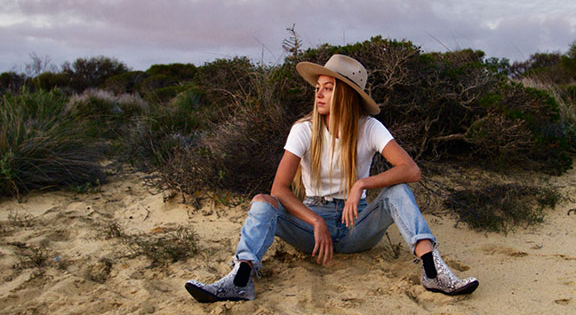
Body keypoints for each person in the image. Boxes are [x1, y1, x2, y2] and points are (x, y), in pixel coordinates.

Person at [185, 54, 478, 302]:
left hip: (356, 227)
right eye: (318, 87)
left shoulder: (369, 128)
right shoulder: (304, 129)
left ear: (347, 94)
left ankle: (433, 270)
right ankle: (241, 279)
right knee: (263, 201)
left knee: (398, 191)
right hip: (310, 228)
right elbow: (280, 189)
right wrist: (314, 221)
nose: (319, 93)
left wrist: (361, 184)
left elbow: (411, 170)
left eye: (328, 88)